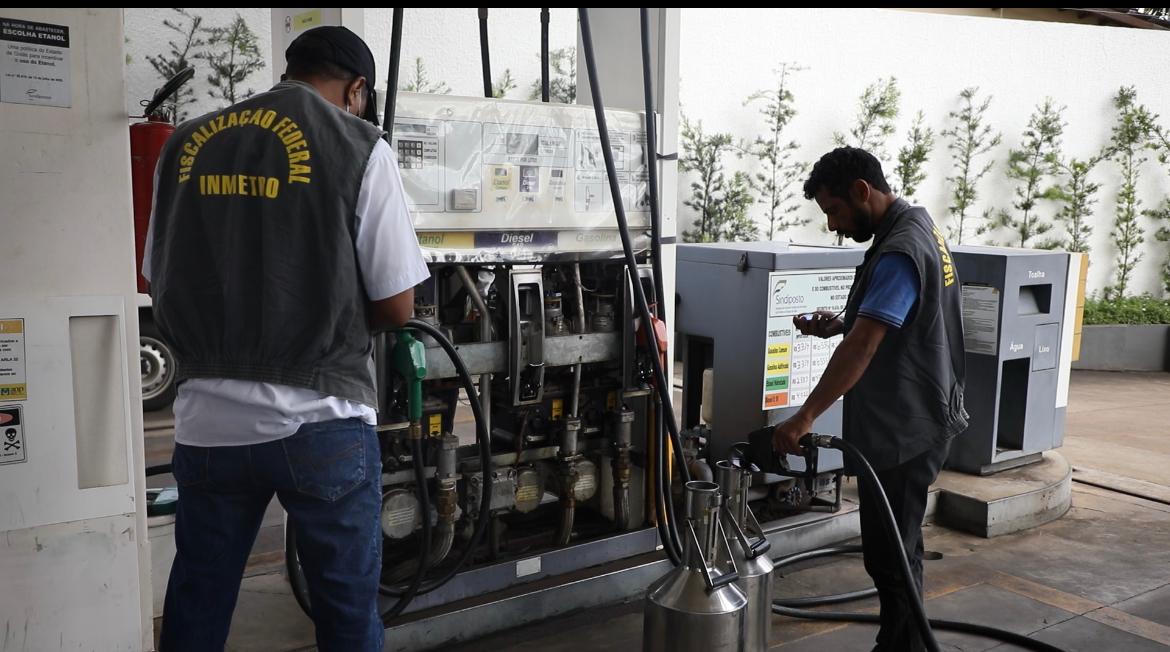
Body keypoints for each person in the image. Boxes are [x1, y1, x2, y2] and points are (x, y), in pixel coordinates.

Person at [144, 26, 430, 652]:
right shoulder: (358, 145)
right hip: (322, 417)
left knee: (198, 600)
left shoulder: (186, 143)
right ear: (356, 89)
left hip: (206, 424)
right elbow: (397, 301)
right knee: (348, 615)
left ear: (291, 68)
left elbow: (156, 278)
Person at [771, 146, 968, 652]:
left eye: (835, 210)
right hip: (920, 412)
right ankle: (904, 643)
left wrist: (803, 417)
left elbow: (865, 345)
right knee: (900, 550)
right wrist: (840, 323)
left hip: (905, 427)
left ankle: (902, 647)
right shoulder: (916, 226)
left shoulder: (901, 248)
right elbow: (894, 318)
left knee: (890, 557)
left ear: (862, 190)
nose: (834, 226)